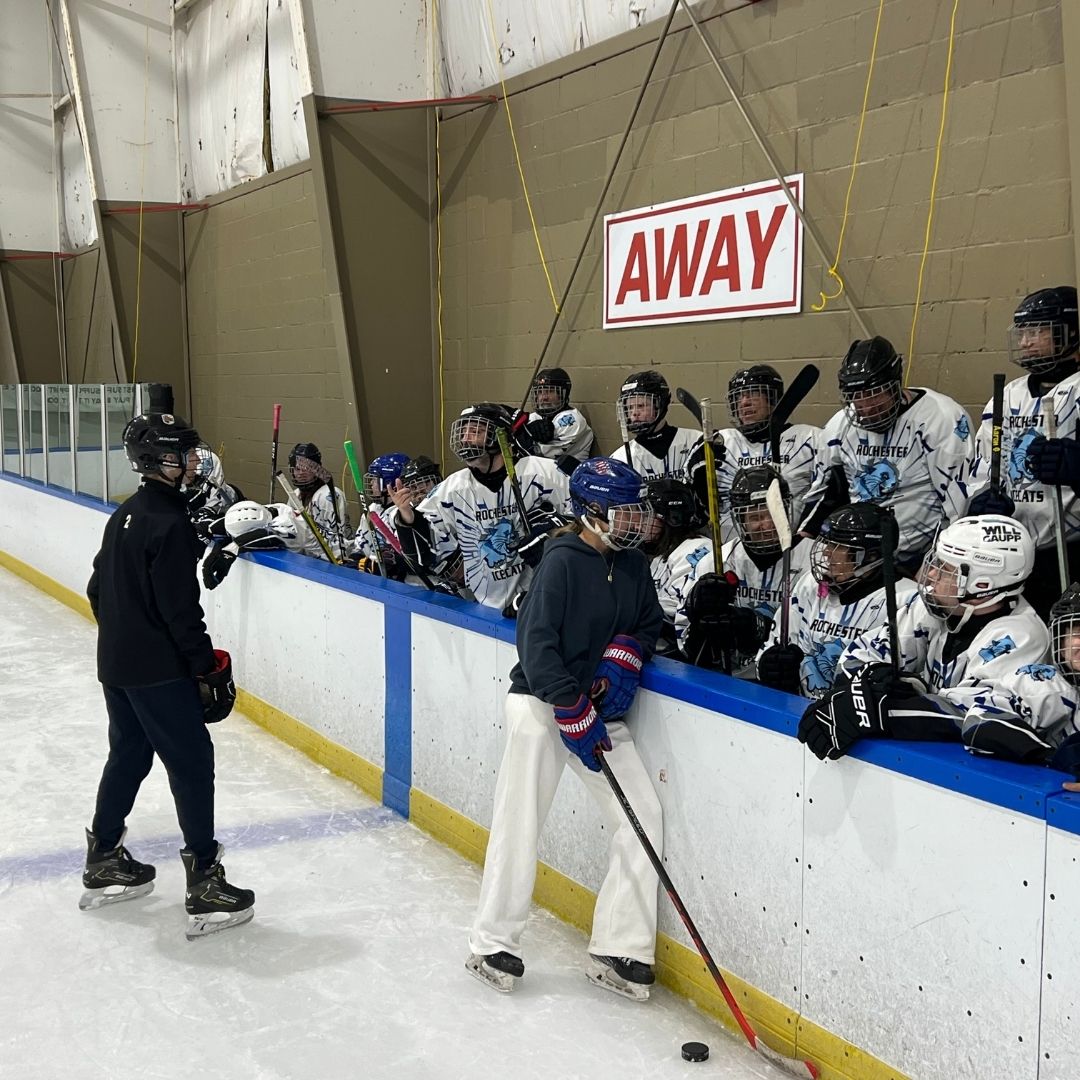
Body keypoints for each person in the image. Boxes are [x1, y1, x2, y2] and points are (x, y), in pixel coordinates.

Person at [466, 457, 665, 999]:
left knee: (642, 814)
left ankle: (620, 945)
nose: (636, 521)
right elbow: (535, 645)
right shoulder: (561, 562)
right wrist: (568, 703)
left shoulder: (633, 565)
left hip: (596, 712)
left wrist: (627, 653)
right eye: (625, 511)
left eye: (638, 510)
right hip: (540, 703)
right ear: (593, 512)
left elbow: (649, 623)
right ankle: (491, 941)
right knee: (521, 816)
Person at [83, 412, 253, 939]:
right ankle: (205, 882)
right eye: (183, 453)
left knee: (129, 755)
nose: (194, 461)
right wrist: (204, 667)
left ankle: (103, 856)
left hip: (117, 665)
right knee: (192, 763)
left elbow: (96, 589)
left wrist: (125, 637)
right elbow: (181, 611)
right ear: (158, 459)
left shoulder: (128, 512)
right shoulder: (171, 523)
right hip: (158, 671)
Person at [797, 515, 1054, 761]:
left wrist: (884, 710)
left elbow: (972, 716)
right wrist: (874, 682)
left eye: (945, 569)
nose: (930, 575)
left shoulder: (1020, 636)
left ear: (982, 585)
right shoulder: (937, 607)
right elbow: (858, 655)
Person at [799, 337, 973, 570]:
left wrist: (939, 563)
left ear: (896, 385)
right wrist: (804, 535)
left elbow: (958, 504)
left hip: (919, 560)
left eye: (874, 394)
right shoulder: (839, 427)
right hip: (859, 560)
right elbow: (830, 492)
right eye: (857, 396)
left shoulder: (940, 418)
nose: (866, 406)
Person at [966, 287, 1080, 617]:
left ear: (1071, 332)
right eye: (1023, 332)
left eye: (1037, 331)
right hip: (1013, 551)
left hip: (1070, 551)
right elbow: (983, 467)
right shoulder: (1007, 396)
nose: (1026, 342)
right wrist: (981, 502)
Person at [393, 403, 571, 611]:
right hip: (485, 607)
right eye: (463, 432)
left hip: (542, 599)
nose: (465, 439)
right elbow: (423, 554)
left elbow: (586, 515)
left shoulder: (541, 473)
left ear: (499, 436)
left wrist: (552, 530)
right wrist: (408, 518)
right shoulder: (453, 488)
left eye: (475, 431)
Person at [757, 503, 918, 697]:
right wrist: (769, 666)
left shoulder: (907, 601)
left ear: (870, 556)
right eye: (828, 543)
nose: (826, 553)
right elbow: (774, 645)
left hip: (855, 714)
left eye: (838, 546)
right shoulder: (810, 584)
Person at [676, 465, 810, 673]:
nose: (767, 525)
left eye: (772, 513)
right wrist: (698, 614)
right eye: (755, 517)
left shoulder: (811, 561)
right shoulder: (716, 561)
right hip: (728, 678)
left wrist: (760, 628)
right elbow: (684, 640)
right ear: (740, 520)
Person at [715, 365, 819, 532]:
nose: (744, 402)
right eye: (738, 396)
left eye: (754, 394)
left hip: (795, 543)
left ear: (773, 398)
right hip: (734, 544)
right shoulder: (720, 443)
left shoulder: (808, 438)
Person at [640, 477, 708, 654]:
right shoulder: (658, 555)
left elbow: (674, 616)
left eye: (647, 515)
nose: (640, 523)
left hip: (678, 655)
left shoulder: (697, 550)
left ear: (672, 517)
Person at [609, 370, 703, 483]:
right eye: (629, 408)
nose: (634, 413)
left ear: (661, 404)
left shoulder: (694, 441)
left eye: (641, 405)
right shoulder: (620, 459)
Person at [287, 442, 350, 561]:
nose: (301, 473)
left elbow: (337, 542)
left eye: (307, 469)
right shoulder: (295, 495)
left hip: (330, 561)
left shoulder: (329, 496)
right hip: (305, 559)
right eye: (297, 469)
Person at [524, 368, 595, 465]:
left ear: (563, 394)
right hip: (544, 471)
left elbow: (538, 453)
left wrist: (524, 435)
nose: (544, 397)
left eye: (550, 391)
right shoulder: (535, 417)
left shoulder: (572, 420)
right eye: (540, 392)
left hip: (567, 473)